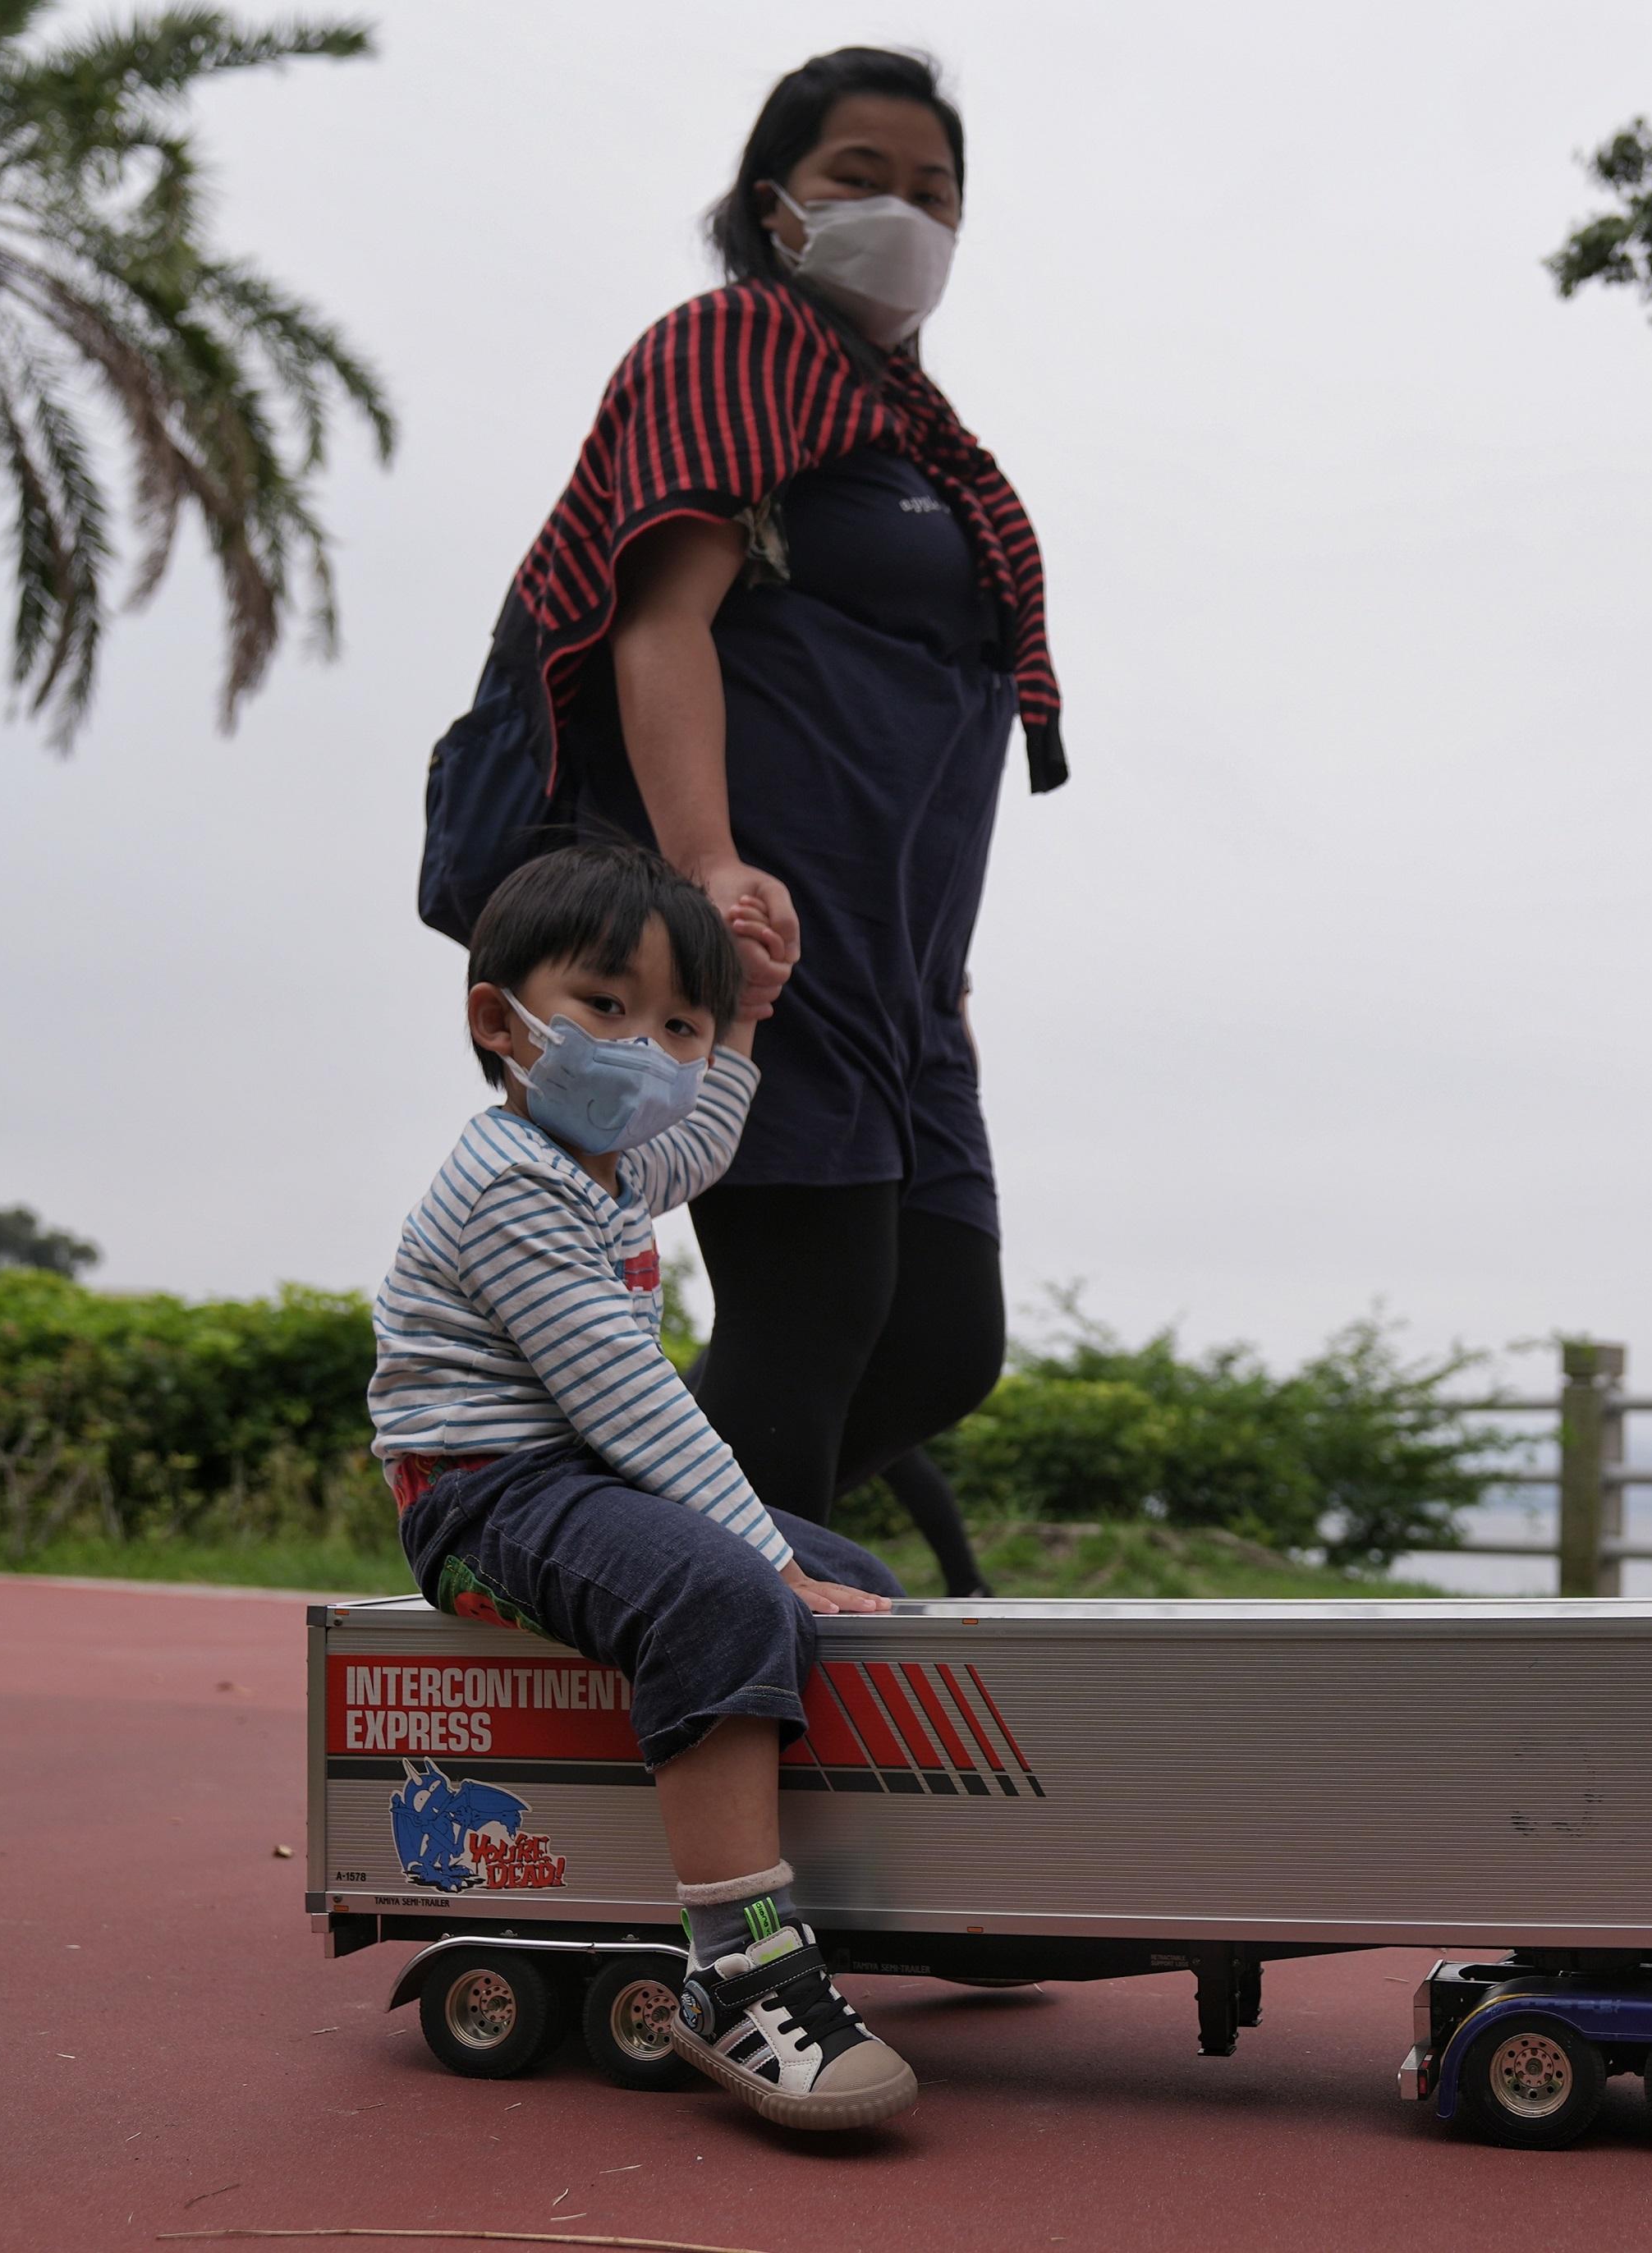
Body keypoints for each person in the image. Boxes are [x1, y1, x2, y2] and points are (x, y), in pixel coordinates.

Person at [475, 47, 1049, 1587]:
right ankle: (732, 1697)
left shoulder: (914, 434)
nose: (907, 214)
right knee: (807, 1333)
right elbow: (659, 626)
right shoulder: (734, 347)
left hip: (903, 972)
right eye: (862, 177)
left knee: (940, 1340)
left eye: (937, 191)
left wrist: (951, 974)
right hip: (759, 939)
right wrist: (706, 876)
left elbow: (930, 732)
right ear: (773, 206)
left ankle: (628, 1554)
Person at [369, 842, 918, 2132]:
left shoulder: (609, 1168)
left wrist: (746, 1019)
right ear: (501, 1023)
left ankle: (829, 1902)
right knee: (731, 1597)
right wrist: (760, 1557)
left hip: (568, 1477)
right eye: (606, 1010)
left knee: (864, 1590)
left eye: (677, 1024)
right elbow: (626, 1395)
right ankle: (738, 1968)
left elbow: (704, 1138)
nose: (650, 1051)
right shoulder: (512, 1182)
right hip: (482, 1497)